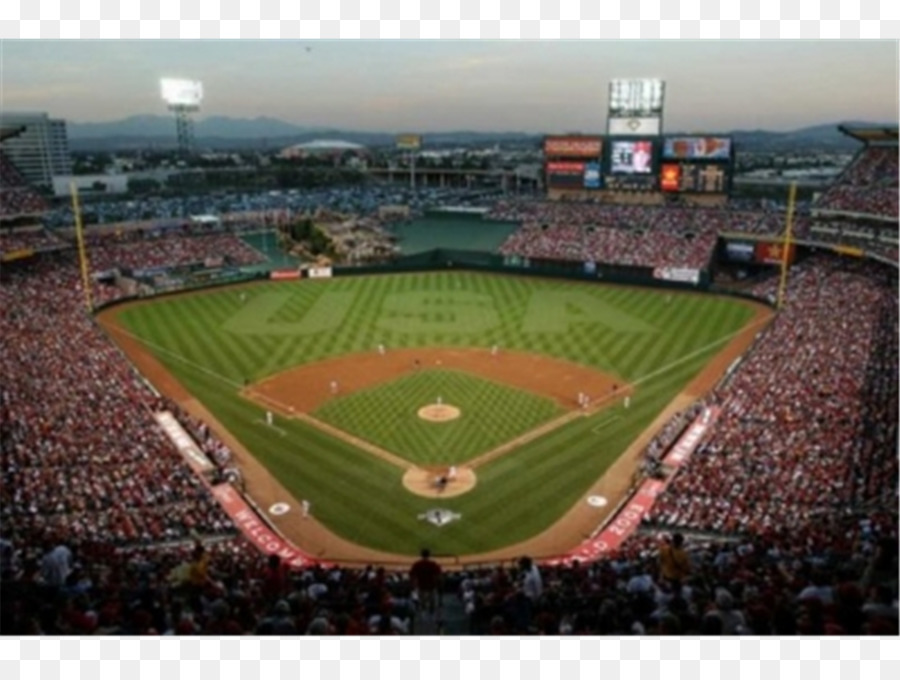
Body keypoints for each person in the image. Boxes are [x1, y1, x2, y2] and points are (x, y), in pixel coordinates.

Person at [410, 549, 443, 616]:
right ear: (429, 555)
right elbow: (439, 575)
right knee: (432, 601)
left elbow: (412, 575)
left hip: (421, 586)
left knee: (422, 602)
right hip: (432, 586)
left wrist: (413, 584)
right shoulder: (433, 564)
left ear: (421, 555)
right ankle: (431, 613)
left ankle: (423, 614)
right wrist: (439, 584)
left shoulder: (417, 564)